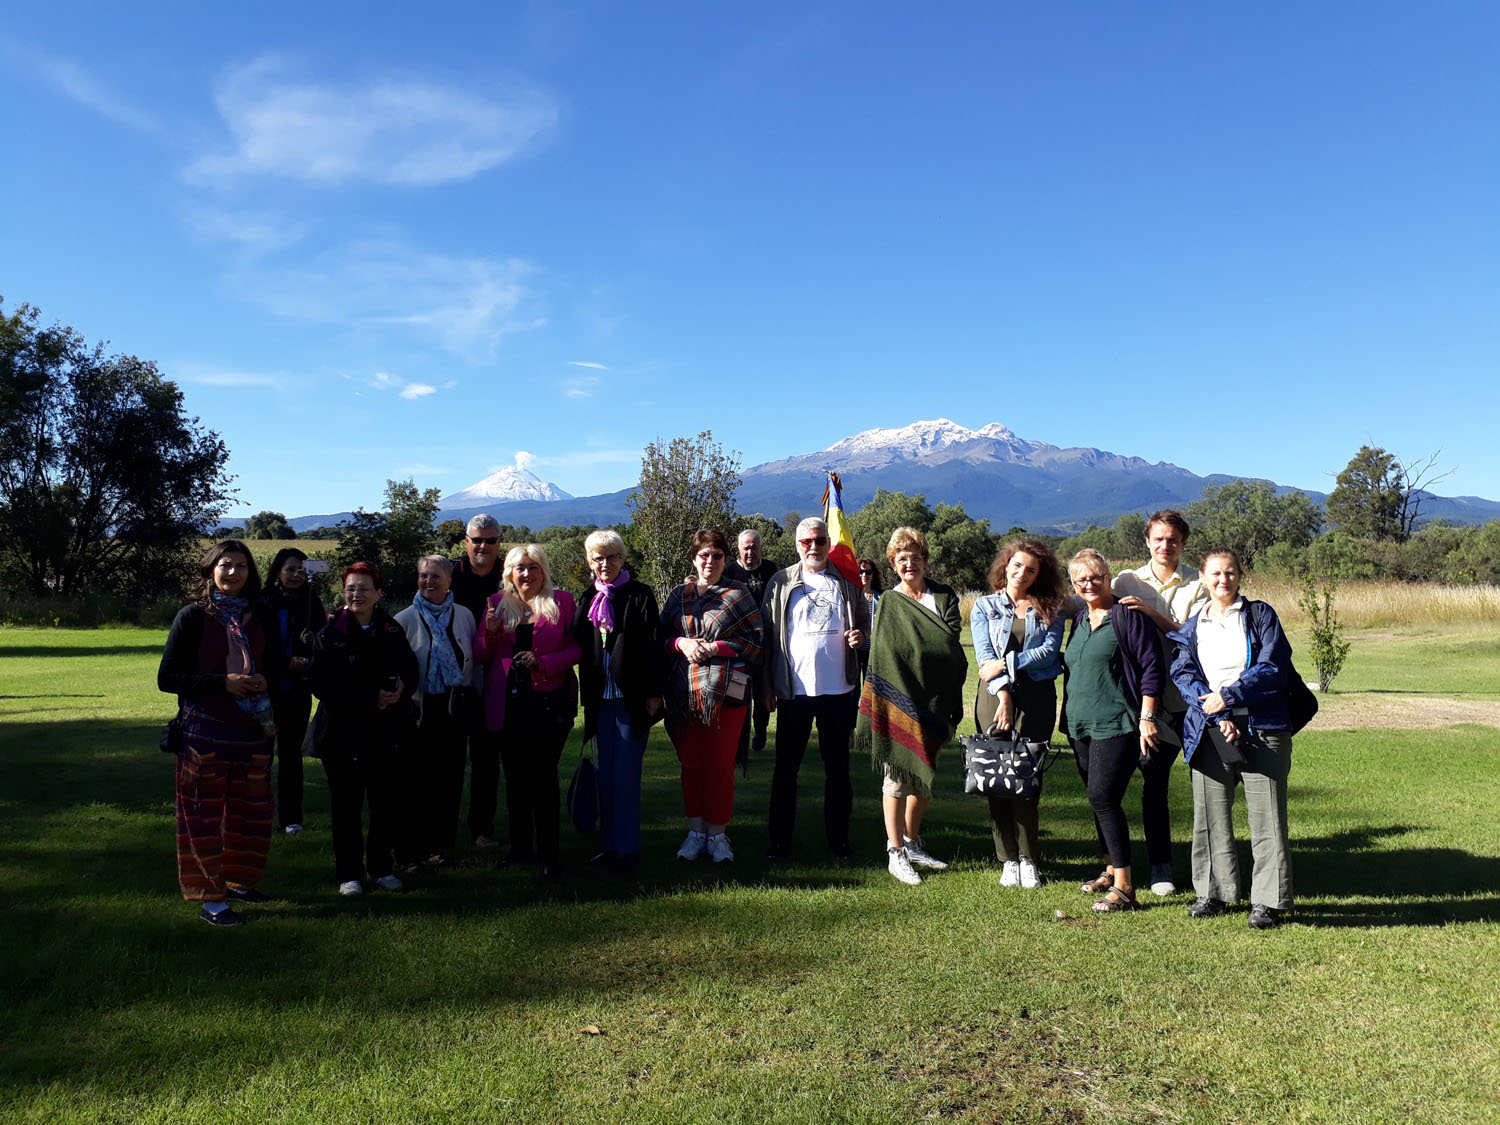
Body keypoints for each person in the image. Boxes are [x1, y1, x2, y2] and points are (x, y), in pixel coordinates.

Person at [1168, 548, 1297, 929]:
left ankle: (1268, 902)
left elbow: (1273, 666)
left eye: (1230, 573)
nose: (1223, 579)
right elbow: (1183, 673)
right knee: (1209, 817)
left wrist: (1231, 695)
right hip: (1209, 731)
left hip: (1262, 728)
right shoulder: (1193, 626)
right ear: (1203, 579)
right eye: (1215, 574)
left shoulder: (1260, 616)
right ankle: (1213, 893)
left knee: (1268, 818)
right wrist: (1220, 710)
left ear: (1240, 576)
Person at [158, 540, 278, 926]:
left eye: (241, 566)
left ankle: (240, 882)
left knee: (251, 813)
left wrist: (264, 678)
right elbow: (168, 678)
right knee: (203, 815)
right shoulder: (192, 617)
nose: (233, 573)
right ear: (211, 570)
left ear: (250, 573)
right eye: (225, 565)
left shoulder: (261, 615)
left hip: (252, 731)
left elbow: (274, 664)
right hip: (204, 731)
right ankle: (212, 899)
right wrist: (221, 683)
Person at [857, 527, 967, 886]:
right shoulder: (890, 601)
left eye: (915, 558)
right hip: (899, 702)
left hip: (936, 701)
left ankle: (912, 841)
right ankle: (895, 852)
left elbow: (949, 645)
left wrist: (922, 653)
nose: (909, 564)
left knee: (922, 777)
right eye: (901, 559)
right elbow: (886, 654)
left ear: (925, 560)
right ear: (893, 563)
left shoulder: (943, 596)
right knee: (896, 779)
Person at [1060, 549, 1165, 914]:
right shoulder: (1079, 618)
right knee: (1096, 798)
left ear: (1108, 577)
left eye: (1095, 577)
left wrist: (1147, 717)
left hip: (1117, 723)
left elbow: (1152, 667)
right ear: (1074, 584)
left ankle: (1124, 887)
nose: (1089, 584)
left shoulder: (1127, 616)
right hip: (1079, 724)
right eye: (1081, 580)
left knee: (1104, 798)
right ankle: (1109, 869)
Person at [761, 517, 870, 861]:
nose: (813, 547)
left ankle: (839, 842)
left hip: (839, 691)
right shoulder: (780, 582)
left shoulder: (847, 581)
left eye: (820, 540)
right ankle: (779, 844)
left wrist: (861, 636)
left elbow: (865, 623)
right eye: (806, 541)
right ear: (797, 545)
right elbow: (765, 638)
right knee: (785, 771)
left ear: (828, 543)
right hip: (794, 693)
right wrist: (766, 684)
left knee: (838, 771)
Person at [1111, 510, 1208, 896]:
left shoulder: (1199, 587)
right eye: (1158, 539)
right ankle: (1142, 865)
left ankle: (1186, 866)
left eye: (1173, 539)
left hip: (1186, 701)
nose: (1165, 545)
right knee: (1144, 783)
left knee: (1185, 782)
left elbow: (1194, 637)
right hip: (1142, 701)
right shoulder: (1125, 581)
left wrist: (1152, 613)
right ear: (1147, 541)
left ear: (1183, 543)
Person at [308, 562, 418, 897]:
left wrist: (401, 690)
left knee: (385, 805)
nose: (357, 594)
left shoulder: (391, 629)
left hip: (386, 733)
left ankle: (381, 868)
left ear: (379, 593)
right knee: (347, 807)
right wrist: (372, 697)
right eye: (351, 588)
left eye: (364, 588)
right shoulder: (330, 633)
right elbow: (322, 685)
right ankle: (349, 874)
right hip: (342, 735)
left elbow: (411, 670)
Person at [474, 544, 581, 879]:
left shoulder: (561, 602)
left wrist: (544, 662)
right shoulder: (495, 605)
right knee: (516, 780)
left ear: (543, 571)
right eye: (520, 567)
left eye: (533, 567)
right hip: (507, 703)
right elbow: (480, 654)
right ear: (509, 573)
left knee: (544, 779)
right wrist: (491, 634)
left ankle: (549, 853)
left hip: (550, 702)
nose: (527, 574)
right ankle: (521, 849)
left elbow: (577, 649)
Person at [658, 528, 764, 864]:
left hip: (725, 696)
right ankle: (695, 833)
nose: (710, 561)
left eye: (717, 555)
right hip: (683, 694)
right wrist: (682, 644)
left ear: (725, 559)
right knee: (691, 765)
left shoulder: (738, 593)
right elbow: (660, 638)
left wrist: (715, 647)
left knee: (719, 766)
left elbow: (754, 642)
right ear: (694, 558)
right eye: (704, 554)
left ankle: (717, 836)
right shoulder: (679, 595)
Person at [969, 539, 1067, 889]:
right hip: (994, 696)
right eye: (1017, 565)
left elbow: (1048, 652)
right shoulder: (983, 606)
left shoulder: (1051, 607)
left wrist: (1008, 663)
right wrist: (1005, 693)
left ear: (1040, 574)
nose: (1022, 573)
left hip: (1038, 696)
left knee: (1027, 778)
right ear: (1005, 565)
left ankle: (1029, 859)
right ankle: (1007, 859)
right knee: (997, 775)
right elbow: (984, 656)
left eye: (1031, 569)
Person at [572, 529, 665, 873]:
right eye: (598, 557)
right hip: (601, 701)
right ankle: (608, 845)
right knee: (606, 778)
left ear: (623, 559)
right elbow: (576, 644)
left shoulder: (640, 595)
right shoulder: (587, 598)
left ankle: (627, 849)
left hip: (632, 700)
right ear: (589, 562)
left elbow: (655, 646)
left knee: (626, 778)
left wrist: (654, 693)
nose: (605, 563)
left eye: (612, 557)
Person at [394, 555, 476, 872]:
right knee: (415, 784)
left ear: (449, 580)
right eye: (424, 575)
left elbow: (474, 660)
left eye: (436, 576)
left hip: (454, 710)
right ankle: (411, 850)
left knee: (449, 782)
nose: (429, 581)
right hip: (418, 711)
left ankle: (440, 848)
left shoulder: (465, 616)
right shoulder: (403, 619)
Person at [258, 546, 327, 835]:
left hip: (296, 692)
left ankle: (291, 819)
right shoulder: (262, 603)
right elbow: (255, 648)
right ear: (277, 572)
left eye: (302, 570)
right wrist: (286, 662)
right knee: (259, 757)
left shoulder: (312, 603)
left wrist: (312, 643)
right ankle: (256, 815)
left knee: (291, 757)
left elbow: (324, 646)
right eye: (290, 569)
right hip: (263, 691)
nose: (297, 575)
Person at [450, 514, 505, 849]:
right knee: (449, 759)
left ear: (499, 543)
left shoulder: (510, 575)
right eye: (477, 540)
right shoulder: (450, 575)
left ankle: (482, 828)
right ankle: (443, 827)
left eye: (490, 540)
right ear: (466, 541)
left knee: (487, 759)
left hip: (493, 676)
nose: (483, 546)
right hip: (453, 677)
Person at [724, 528, 779, 756]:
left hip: (765, 642)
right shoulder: (729, 572)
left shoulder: (770, 569)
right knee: (739, 695)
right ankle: (739, 748)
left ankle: (761, 729)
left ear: (760, 549)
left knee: (762, 690)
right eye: (746, 547)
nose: (750, 552)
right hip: (739, 645)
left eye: (754, 547)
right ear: (738, 548)